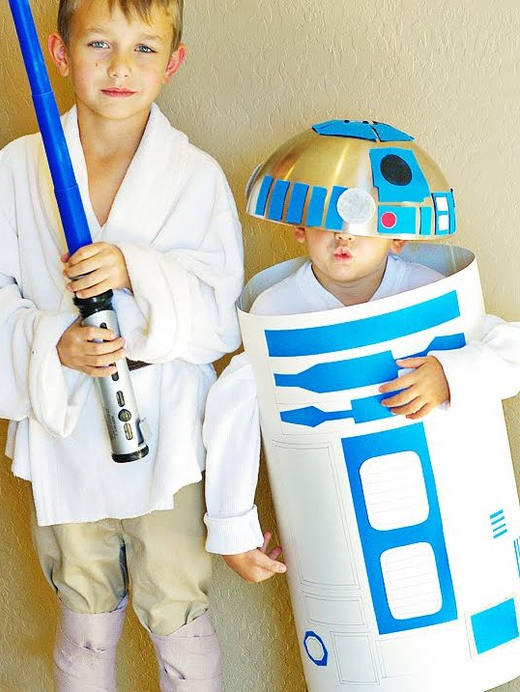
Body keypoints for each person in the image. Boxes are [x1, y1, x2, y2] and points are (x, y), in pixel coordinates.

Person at [0, 0, 243, 692]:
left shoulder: (195, 176)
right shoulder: (17, 170)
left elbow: (219, 315)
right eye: (98, 43)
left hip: (165, 437)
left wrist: (134, 268)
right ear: (58, 51)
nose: (119, 66)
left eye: (143, 47)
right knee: (82, 611)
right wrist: (54, 344)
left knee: (177, 605)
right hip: (65, 432)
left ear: (172, 62)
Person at [202, 223, 517, 583]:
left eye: (365, 220)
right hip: (342, 524)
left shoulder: (428, 288)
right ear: (300, 228)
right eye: (329, 219)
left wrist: (451, 373)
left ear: (398, 236)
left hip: (456, 511)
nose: (345, 235)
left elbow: (511, 347)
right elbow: (234, 406)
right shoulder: (276, 309)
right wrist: (232, 529)